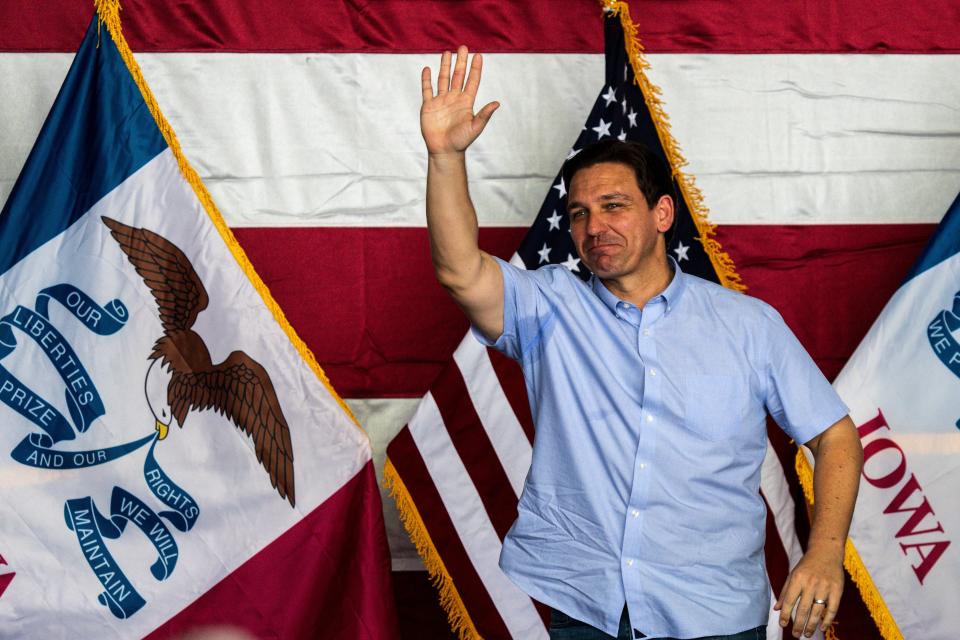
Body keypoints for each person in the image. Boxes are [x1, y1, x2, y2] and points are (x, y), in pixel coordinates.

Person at [420, 46, 864, 640]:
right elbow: (458, 271)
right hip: (587, 609)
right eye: (579, 214)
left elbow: (835, 435)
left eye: (614, 206)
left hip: (714, 615)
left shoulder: (748, 324)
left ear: (662, 214)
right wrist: (446, 157)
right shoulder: (549, 304)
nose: (594, 227)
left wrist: (825, 553)